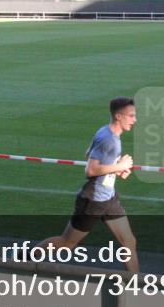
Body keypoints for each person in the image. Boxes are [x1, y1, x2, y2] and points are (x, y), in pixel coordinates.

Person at [36, 97, 140, 272]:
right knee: (66, 243)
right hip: (93, 201)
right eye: (131, 116)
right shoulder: (109, 140)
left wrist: (115, 169)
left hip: (109, 198)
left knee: (128, 241)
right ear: (118, 116)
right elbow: (90, 170)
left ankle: (138, 284)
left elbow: (88, 154)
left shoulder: (107, 132)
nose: (134, 120)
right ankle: (23, 258)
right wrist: (120, 166)